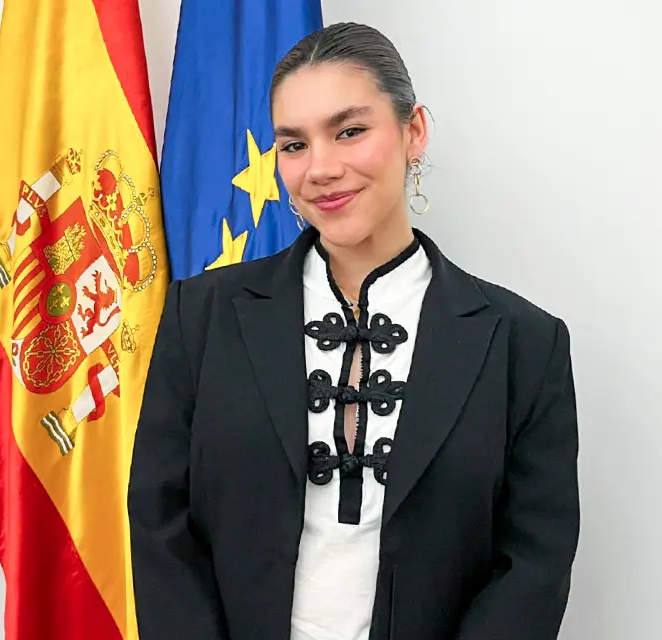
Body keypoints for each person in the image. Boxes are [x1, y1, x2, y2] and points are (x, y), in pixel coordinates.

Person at [128, 21, 580, 640]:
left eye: (350, 131)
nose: (320, 168)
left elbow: (534, 565)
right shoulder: (199, 317)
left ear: (412, 131)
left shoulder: (524, 344)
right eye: (293, 144)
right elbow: (159, 528)